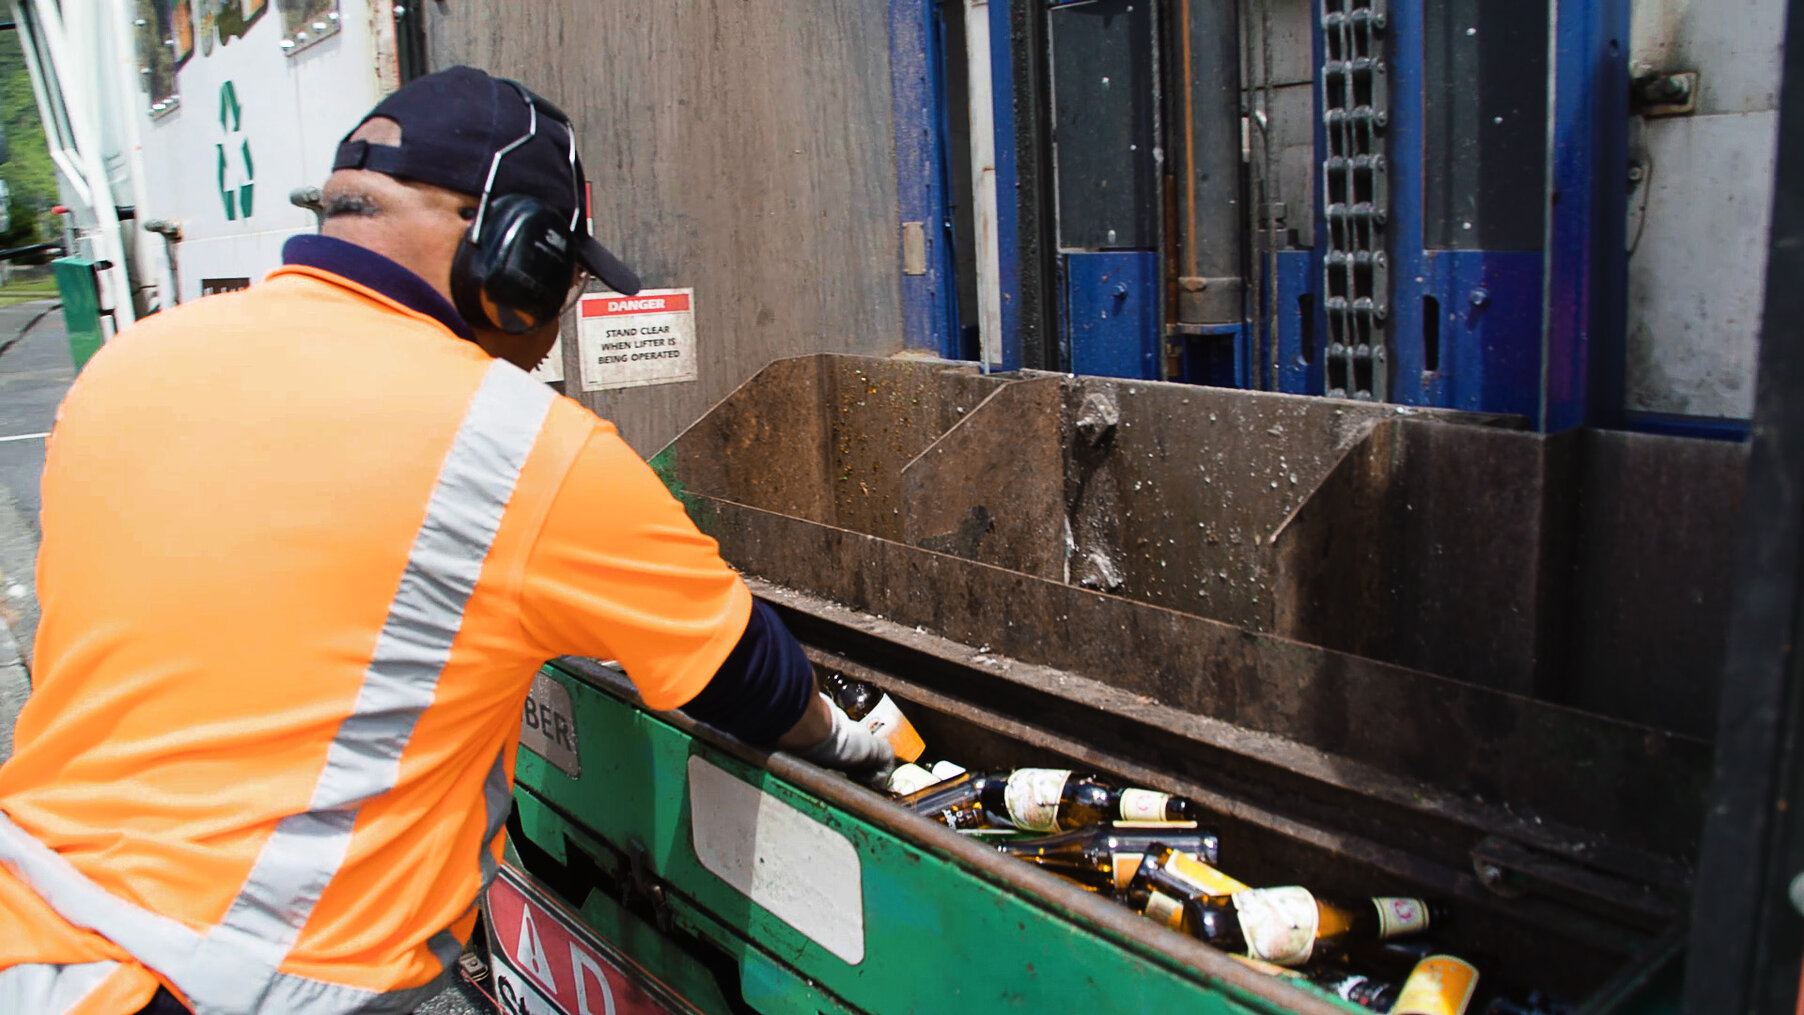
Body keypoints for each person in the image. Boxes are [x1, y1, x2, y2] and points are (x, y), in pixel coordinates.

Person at [0, 66, 891, 1015]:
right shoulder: (516, 444)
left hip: (35, 938)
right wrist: (850, 741)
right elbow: (748, 677)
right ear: (518, 254)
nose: (558, 315)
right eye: (568, 275)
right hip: (232, 980)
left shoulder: (127, 368)